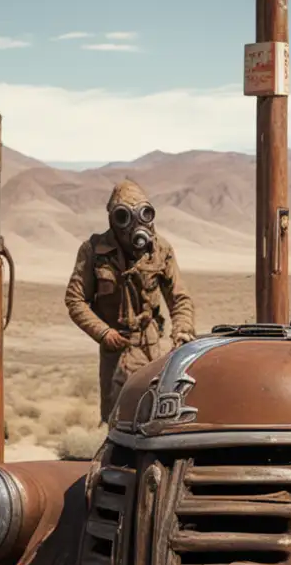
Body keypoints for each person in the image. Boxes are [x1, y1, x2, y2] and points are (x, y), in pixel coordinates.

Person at [65, 180, 196, 421]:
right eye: (124, 216)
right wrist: (104, 332)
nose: (135, 225)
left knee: (159, 417)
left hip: (153, 348)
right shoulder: (94, 251)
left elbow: (179, 298)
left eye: (143, 214)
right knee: (118, 420)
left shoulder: (160, 249)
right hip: (117, 350)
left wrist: (182, 333)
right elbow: (75, 300)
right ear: (113, 220)